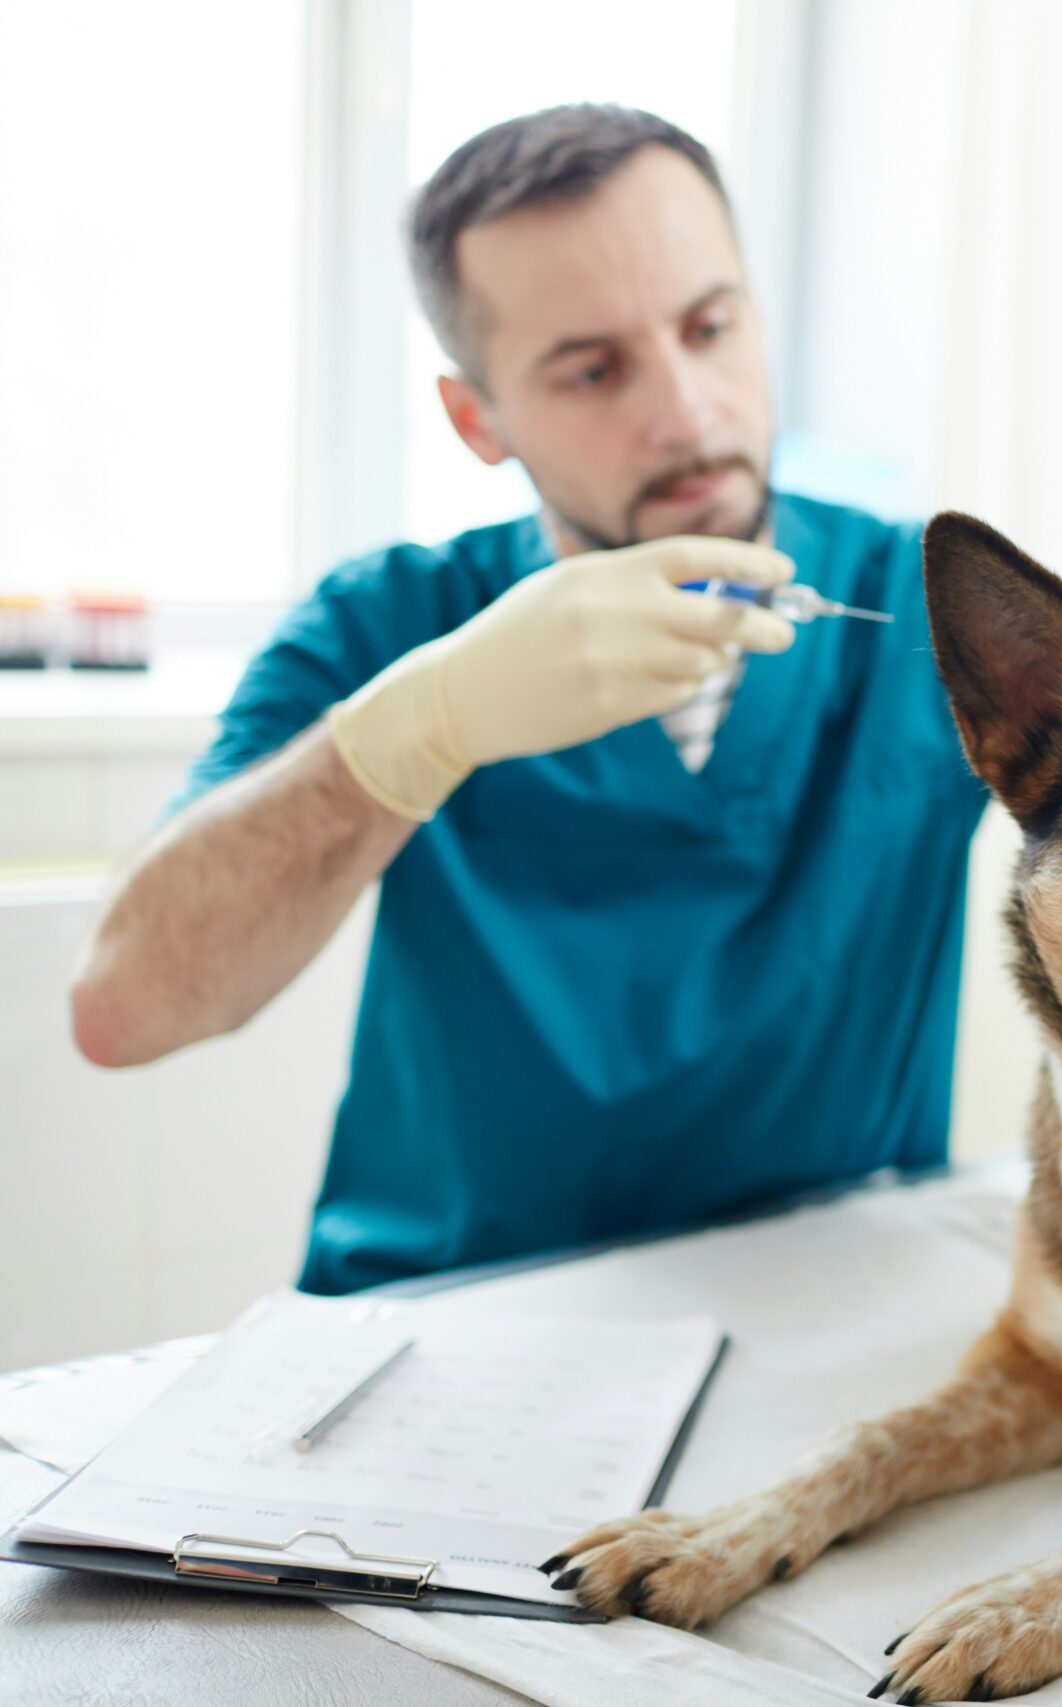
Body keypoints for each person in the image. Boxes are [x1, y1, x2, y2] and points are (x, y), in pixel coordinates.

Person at [71, 105, 982, 1294]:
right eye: (595, 369)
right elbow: (127, 1008)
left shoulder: (928, 609)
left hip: (823, 1314)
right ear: (477, 418)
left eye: (711, 327)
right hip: (441, 1320)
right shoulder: (390, 626)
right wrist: (420, 724)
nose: (689, 411)